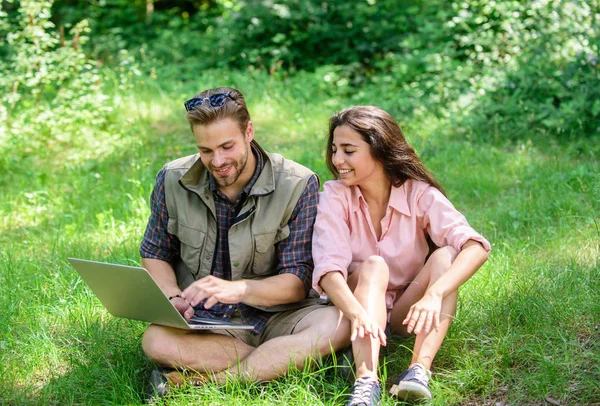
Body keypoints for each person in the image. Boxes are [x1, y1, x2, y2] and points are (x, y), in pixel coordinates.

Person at [139, 87, 349, 399]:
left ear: (248, 131)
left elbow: (296, 282)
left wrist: (238, 289)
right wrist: (172, 298)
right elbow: (155, 252)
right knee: (154, 341)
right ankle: (287, 358)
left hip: (281, 315)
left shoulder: (297, 183)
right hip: (208, 321)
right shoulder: (172, 179)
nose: (218, 160)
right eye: (206, 150)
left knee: (338, 323)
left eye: (227, 146)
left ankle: (204, 381)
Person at [312, 106, 491, 405]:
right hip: (351, 308)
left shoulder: (418, 194)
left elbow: (475, 246)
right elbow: (329, 270)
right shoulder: (334, 196)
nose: (337, 160)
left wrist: (435, 293)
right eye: (334, 149)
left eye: (348, 150)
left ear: (379, 150)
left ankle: (418, 371)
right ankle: (366, 383)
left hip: (403, 313)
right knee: (374, 265)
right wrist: (358, 314)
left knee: (446, 256)